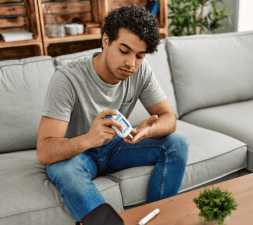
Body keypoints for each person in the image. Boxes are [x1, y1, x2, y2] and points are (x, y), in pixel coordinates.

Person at [36, 5, 189, 225]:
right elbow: (44, 151)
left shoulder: (141, 71)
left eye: (139, 56)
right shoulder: (67, 79)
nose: (131, 64)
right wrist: (88, 139)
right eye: (124, 51)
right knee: (63, 170)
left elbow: (168, 118)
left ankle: (159, 219)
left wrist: (148, 131)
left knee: (177, 143)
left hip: (115, 147)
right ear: (106, 41)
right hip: (79, 152)